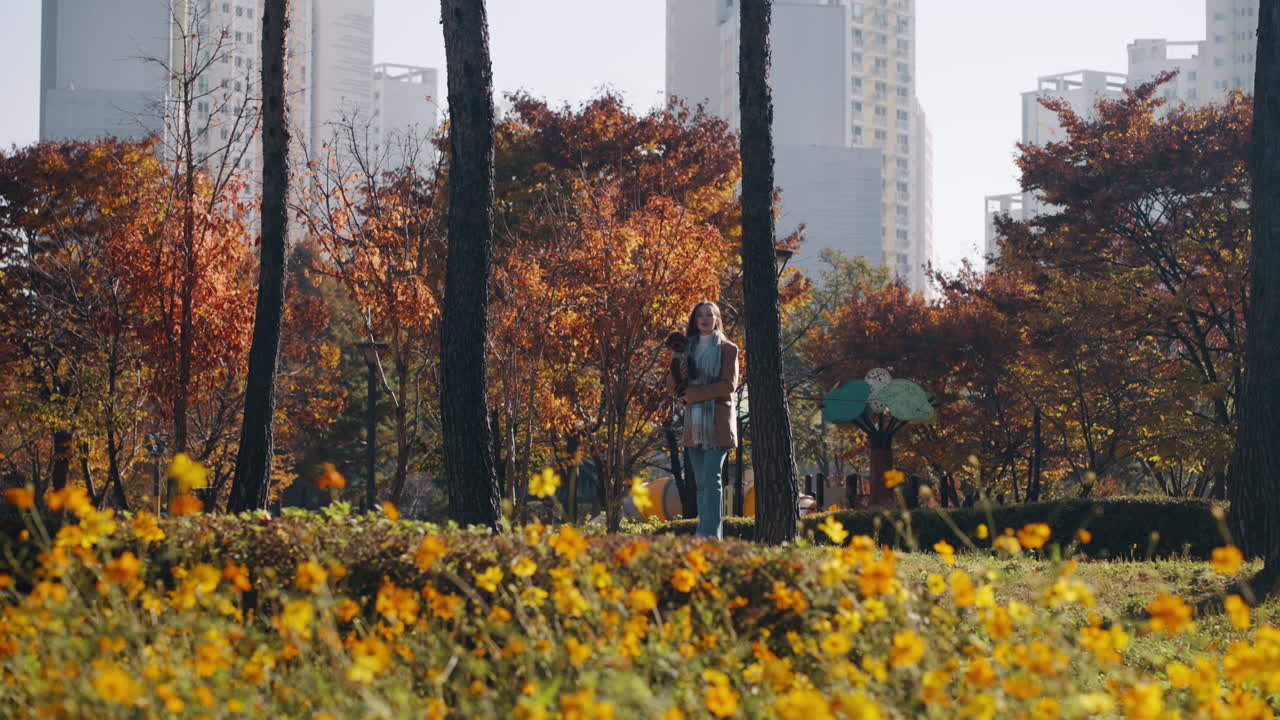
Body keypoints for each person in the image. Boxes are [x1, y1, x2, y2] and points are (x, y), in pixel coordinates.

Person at [666, 301, 739, 539]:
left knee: (712, 479)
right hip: (693, 424)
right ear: (694, 321)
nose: (705, 319)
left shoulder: (729, 349)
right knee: (700, 484)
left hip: (718, 422)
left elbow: (729, 385)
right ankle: (703, 533)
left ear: (717, 319)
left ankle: (711, 535)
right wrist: (677, 374)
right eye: (700, 315)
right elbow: (673, 386)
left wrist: (696, 394)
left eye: (710, 315)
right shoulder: (687, 348)